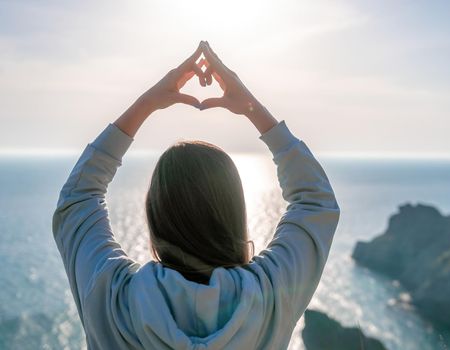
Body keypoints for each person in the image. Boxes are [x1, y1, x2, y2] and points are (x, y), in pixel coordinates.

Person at [52, 41, 340, 350]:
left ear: (155, 215)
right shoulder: (270, 294)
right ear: (234, 214)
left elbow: (79, 198)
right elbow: (315, 201)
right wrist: (252, 109)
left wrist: (146, 103)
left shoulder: (115, 298)